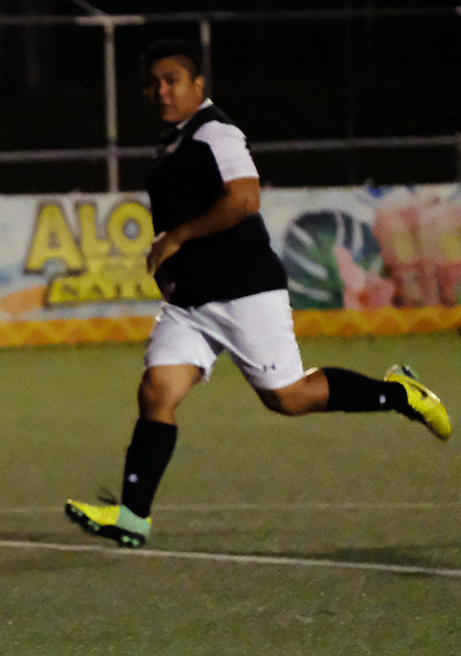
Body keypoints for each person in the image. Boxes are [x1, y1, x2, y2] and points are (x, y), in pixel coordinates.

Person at [64, 40, 451, 548]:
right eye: (152, 82)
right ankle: (132, 517)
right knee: (157, 392)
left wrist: (178, 237)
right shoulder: (173, 142)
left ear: (197, 85)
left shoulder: (216, 132)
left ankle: (399, 394)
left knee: (288, 398)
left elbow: (245, 200)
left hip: (244, 289)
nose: (161, 90)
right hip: (191, 303)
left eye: (172, 79)